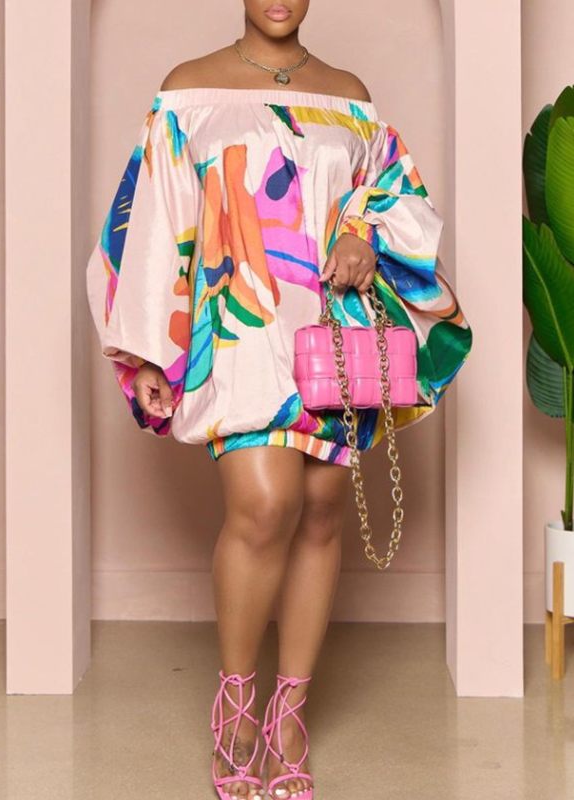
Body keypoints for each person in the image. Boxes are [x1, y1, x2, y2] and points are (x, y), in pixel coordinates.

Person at [86, 2, 472, 798]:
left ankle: (288, 715)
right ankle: (236, 710)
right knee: (265, 506)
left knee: (322, 513)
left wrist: (364, 232)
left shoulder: (349, 95)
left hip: (334, 333)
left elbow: (395, 197)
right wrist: (150, 345)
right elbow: (155, 215)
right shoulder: (188, 90)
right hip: (239, 332)